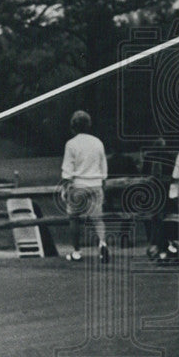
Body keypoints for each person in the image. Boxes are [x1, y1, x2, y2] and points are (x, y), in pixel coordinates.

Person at [61, 110, 109, 263]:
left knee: (74, 218)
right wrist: (103, 184)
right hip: (96, 183)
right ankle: (102, 243)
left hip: (79, 184)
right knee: (98, 218)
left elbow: (68, 169)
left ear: (73, 126)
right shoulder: (97, 142)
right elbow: (103, 167)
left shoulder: (71, 144)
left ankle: (76, 251)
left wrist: (65, 187)